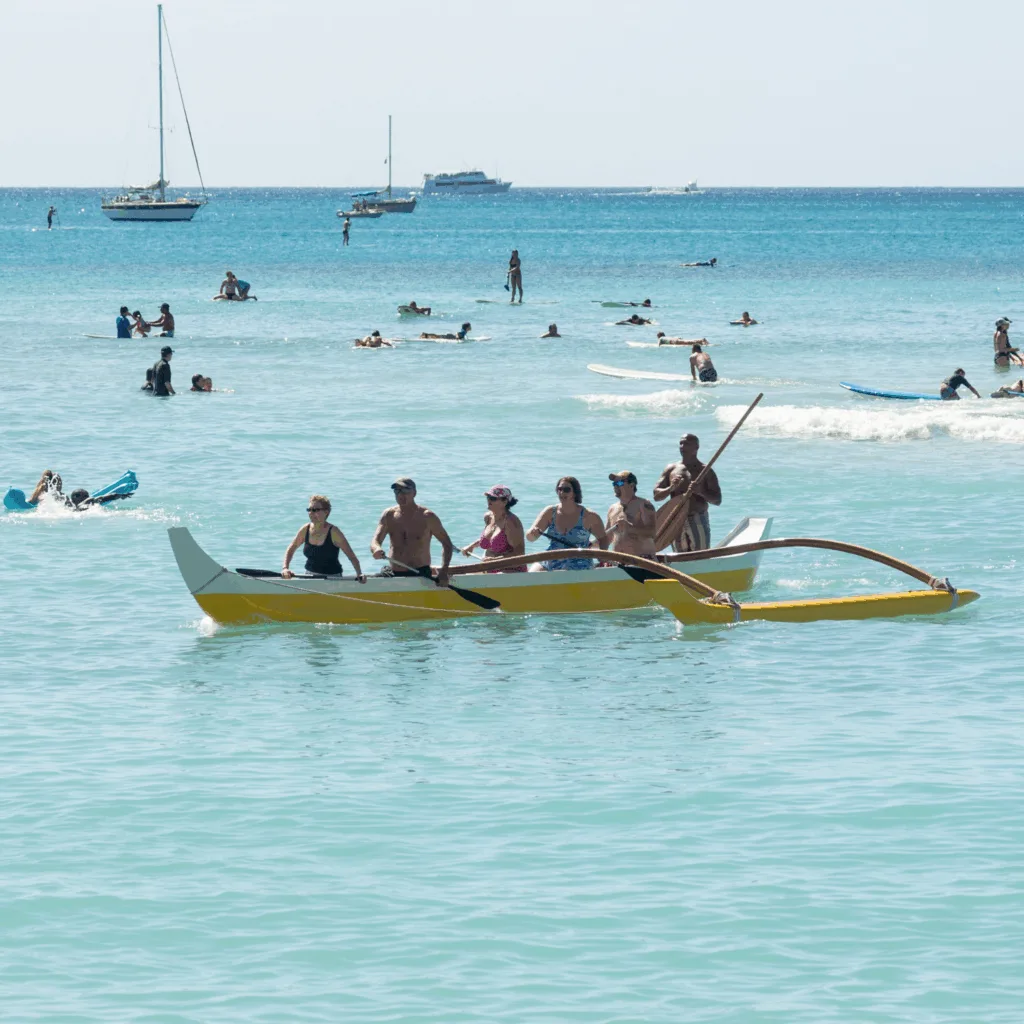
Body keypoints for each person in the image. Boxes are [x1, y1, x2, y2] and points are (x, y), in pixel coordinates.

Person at [371, 478, 455, 583]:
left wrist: (444, 570)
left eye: (405, 490)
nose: (400, 495)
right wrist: (376, 549)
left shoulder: (427, 516)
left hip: (420, 573)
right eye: (397, 491)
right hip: (394, 572)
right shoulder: (389, 515)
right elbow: (375, 541)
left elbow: (447, 544)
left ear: (414, 493)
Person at [653, 434, 722, 551]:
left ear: (696, 447)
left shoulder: (705, 470)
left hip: (697, 517)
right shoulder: (671, 469)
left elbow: (717, 500)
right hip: (676, 519)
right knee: (679, 556)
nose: (682, 446)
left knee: (700, 555)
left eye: (686, 444)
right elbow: (656, 495)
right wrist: (670, 488)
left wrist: (700, 491)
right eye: (681, 443)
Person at [526, 476, 608, 570]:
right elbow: (530, 538)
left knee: (565, 570)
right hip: (552, 559)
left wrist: (602, 556)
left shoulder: (589, 516)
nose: (562, 492)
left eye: (566, 490)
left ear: (575, 493)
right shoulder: (550, 512)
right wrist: (532, 534)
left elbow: (603, 538)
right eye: (559, 489)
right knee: (533, 571)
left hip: (579, 562)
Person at [281, 495, 365, 580]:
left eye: (315, 510)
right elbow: (291, 549)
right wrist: (285, 568)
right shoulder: (305, 529)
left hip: (332, 578)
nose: (311, 513)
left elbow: (351, 556)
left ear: (326, 512)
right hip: (309, 576)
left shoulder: (334, 532)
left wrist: (359, 573)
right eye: (309, 510)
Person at [460, 485, 527, 571]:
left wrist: (495, 560)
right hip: (490, 569)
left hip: (511, 571)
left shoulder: (511, 522)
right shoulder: (488, 517)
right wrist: (471, 546)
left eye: (493, 498)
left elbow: (519, 554)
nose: (489, 500)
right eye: (488, 497)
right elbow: (491, 539)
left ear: (505, 502)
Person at [605, 471, 656, 557]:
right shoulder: (612, 509)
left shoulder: (644, 504)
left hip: (642, 560)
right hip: (618, 560)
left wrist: (629, 528)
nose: (615, 486)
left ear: (632, 485)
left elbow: (651, 533)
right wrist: (586, 545)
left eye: (619, 483)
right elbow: (607, 538)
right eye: (614, 483)